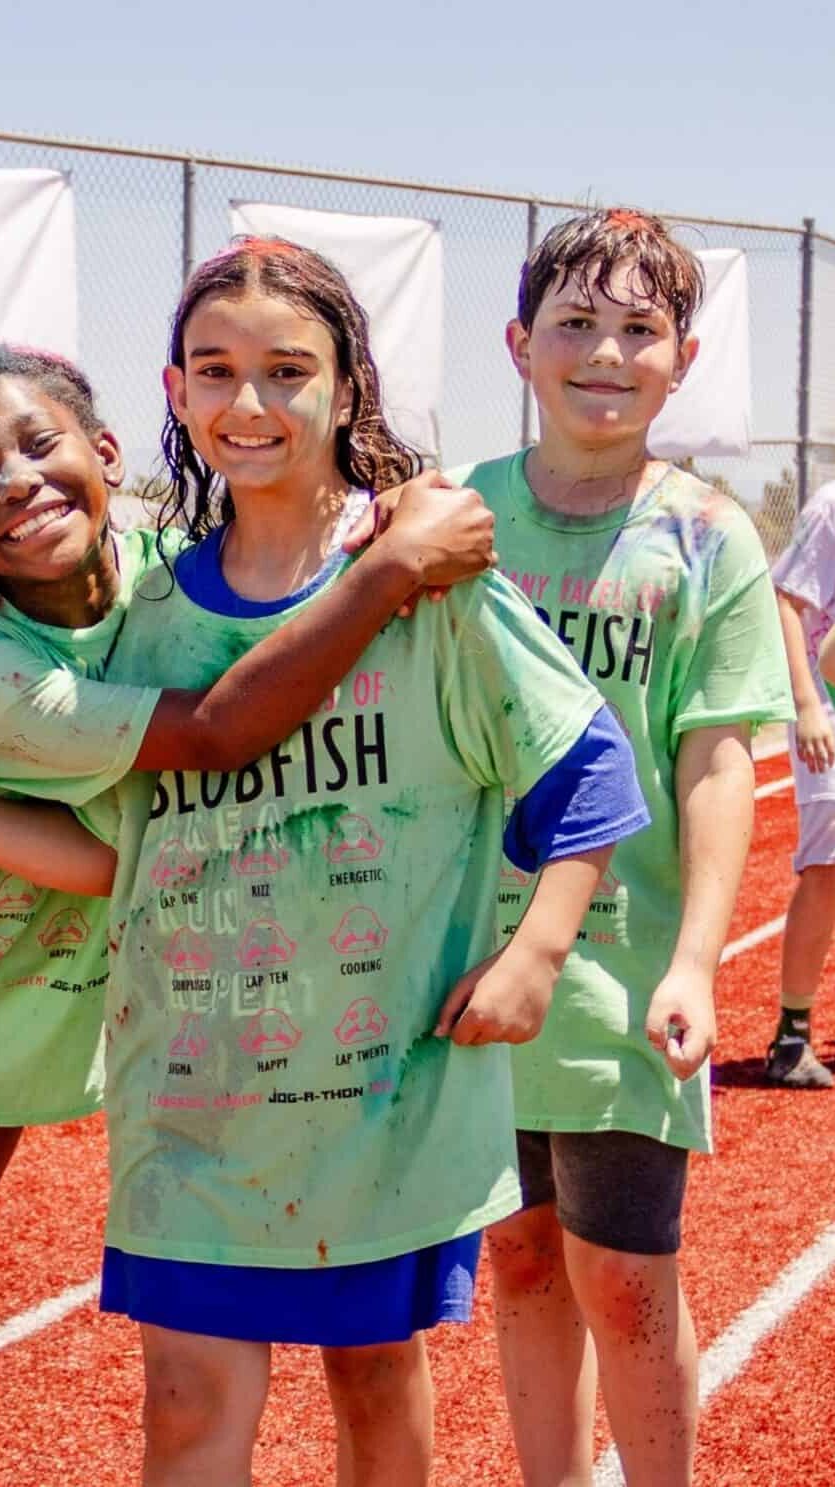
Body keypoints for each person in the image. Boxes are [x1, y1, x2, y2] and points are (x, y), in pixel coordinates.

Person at [0, 240, 647, 1487]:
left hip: (377, 1098)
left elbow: (585, 770)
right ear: (173, 390)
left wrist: (535, 951)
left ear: (345, 385)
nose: (247, 402)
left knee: (373, 1379)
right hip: (191, 1103)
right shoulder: (150, 616)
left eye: (285, 370)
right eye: (213, 370)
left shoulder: (433, 583)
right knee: (186, 1400)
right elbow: (109, 852)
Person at [0, 344, 497, 1486]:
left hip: (22, 983)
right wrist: (391, 565)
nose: (16, 482)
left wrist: (391, 507)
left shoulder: (169, 580)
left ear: (105, 451)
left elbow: (286, 585)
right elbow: (212, 733)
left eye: (39, 444)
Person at [460, 207, 795, 1486]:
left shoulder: (707, 535)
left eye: (637, 328)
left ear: (681, 358)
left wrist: (696, 958)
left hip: (620, 968)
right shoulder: (457, 516)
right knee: (518, 1256)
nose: (604, 352)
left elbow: (714, 761)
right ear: (518, 345)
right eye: (573, 323)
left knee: (622, 1271)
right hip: (471, 960)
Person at [763, 479, 835, 1087]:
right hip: (829, 715)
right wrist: (808, 704)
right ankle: (791, 1038)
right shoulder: (831, 506)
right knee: (827, 870)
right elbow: (785, 600)